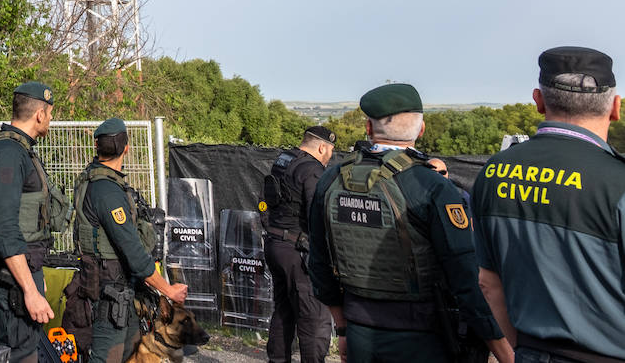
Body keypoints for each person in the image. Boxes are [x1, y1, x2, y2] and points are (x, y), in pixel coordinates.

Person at [306, 84, 511, 363]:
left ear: (368, 127)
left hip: (359, 332)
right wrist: (501, 349)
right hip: (424, 337)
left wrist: (343, 328)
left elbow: (318, 263)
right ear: (422, 129)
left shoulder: (330, 180)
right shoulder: (433, 187)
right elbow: (466, 279)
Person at [472, 46, 625, 362]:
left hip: (531, 351)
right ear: (615, 107)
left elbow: (488, 284)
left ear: (539, 101)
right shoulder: (617, 181)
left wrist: (518, 353)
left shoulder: (494, 171)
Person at [64, 118, 188, 363]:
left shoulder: (96, 180)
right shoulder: (106, 190)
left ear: (97, 148)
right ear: (127, 148)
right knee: (107, 356)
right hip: (110, 292)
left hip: (116, 289)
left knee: (133, 355)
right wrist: (168, 290)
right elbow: (133, 252)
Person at [0, 81, 69, 363]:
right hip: (11, 283)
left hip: (21, 274)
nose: (51, 119)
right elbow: (3, 229)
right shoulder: (10, 154)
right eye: (50, 113)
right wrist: (29, 289)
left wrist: (35, 280)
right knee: (20, 355)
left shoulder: (18, 150)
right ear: (40, 114)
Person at [260, 125, 336, 363]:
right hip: (297, 251)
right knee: (313, 318)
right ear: (322, 147)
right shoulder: (313, 169)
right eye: (331, 151)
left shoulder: (283, 161)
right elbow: (318, 213)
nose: (330, 156)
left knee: (284, 311)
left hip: (275, 244)